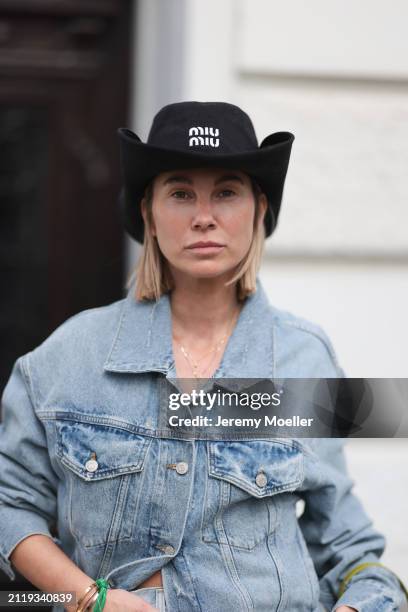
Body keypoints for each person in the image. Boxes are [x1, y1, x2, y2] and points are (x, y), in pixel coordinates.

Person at [0, 101, 406, 612]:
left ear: (259, 210)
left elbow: (349, 547)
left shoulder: (305, 356)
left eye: (227, 192)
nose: (204, 217)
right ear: (148, 211)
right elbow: (9, 506)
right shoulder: (68, 356)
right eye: (181, 193)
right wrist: (91, 599)